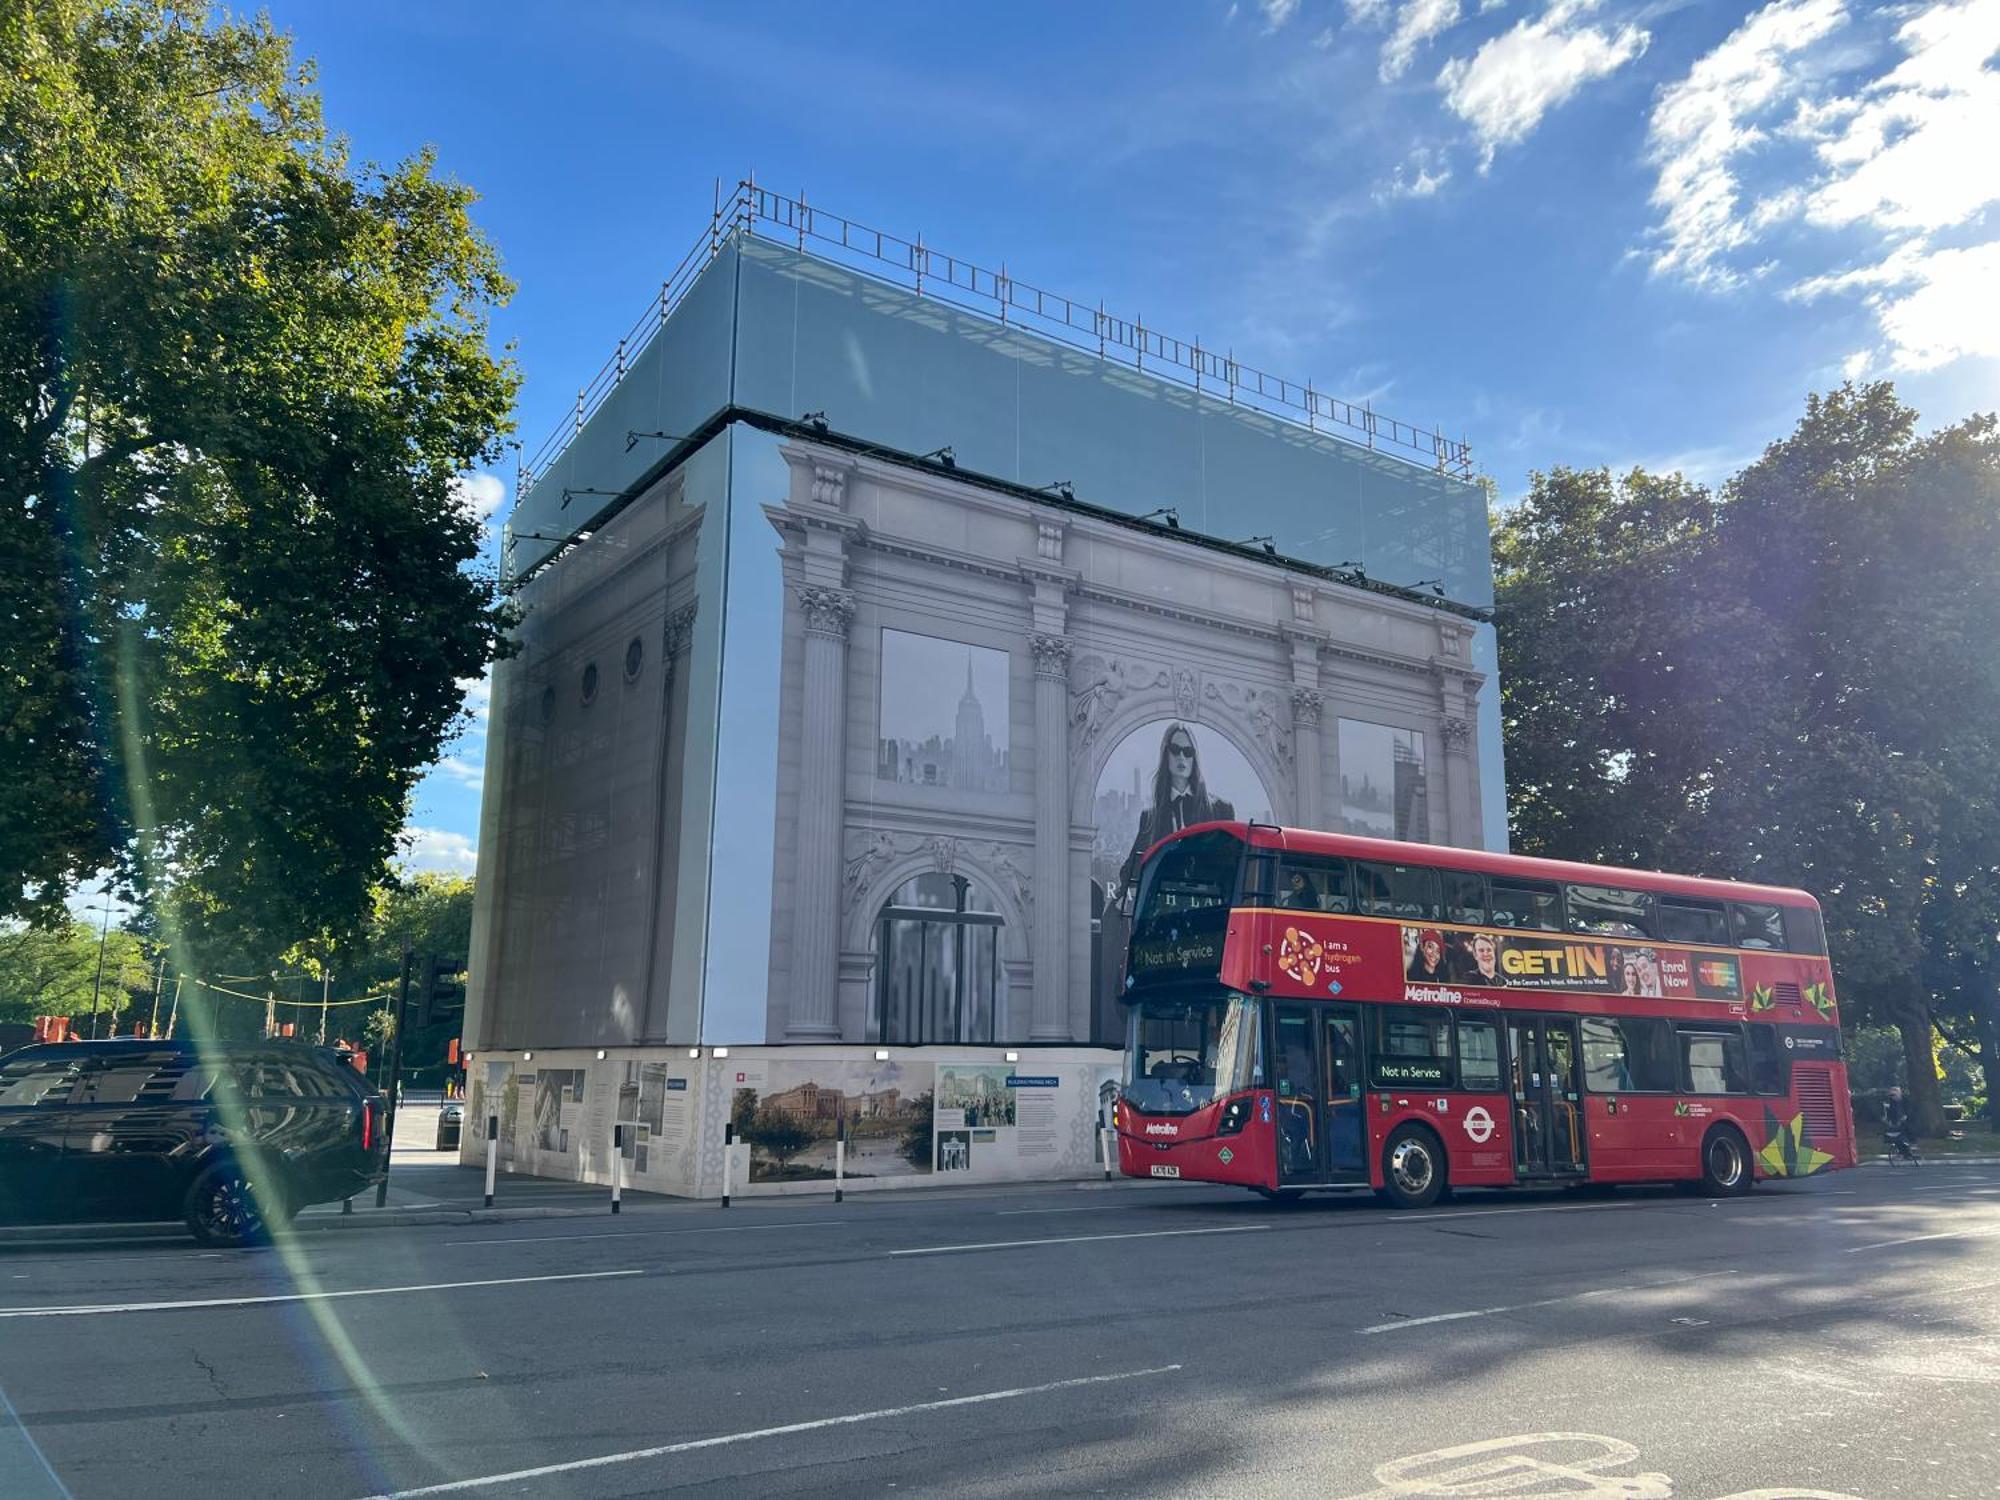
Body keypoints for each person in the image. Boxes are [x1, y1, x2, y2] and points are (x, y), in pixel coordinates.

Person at [1118, 723, 1235, 895]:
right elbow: (1130, 873)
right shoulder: (1151, 817)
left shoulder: (1221, 810)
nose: (1182, 757)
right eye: (1175, 749)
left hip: (1209, 908)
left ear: (1194, 758)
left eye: (1188, 752)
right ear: (1166, 754)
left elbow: (1232, 867)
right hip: (1166, 909)